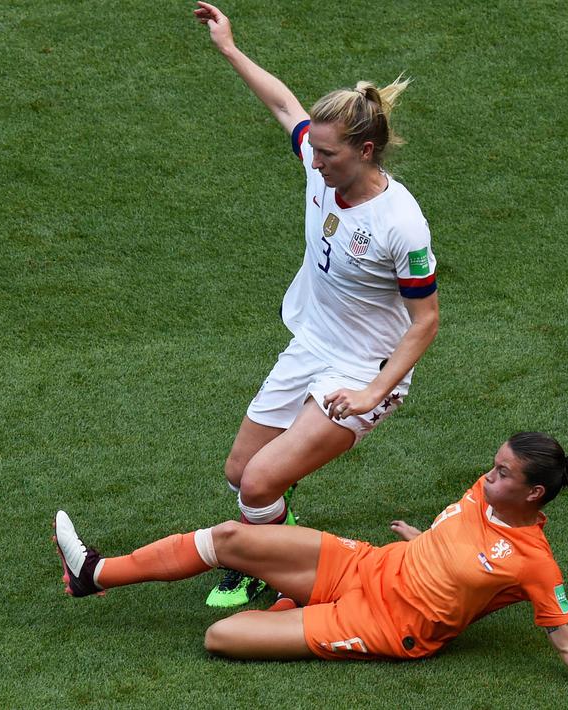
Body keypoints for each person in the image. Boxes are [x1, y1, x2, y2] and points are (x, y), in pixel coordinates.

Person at [54, 432, 568, 709]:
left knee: (221, 636)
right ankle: (94, 573)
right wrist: (422, 542)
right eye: (495, 466)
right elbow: (462, 546)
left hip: (384, 625)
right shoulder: (483, 492)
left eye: (504, 474)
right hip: (369, 564)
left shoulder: (534, 562)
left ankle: (298, 608)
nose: (490, 475)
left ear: (533, 496)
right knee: (235, 536)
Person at [190, 2, 441, 607]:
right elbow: (284, 106)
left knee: (258, 481)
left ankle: (278, 570)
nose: (315, 161)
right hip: (312, 346)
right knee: (239, 475)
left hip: (363, 372)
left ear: (367, 149)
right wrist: (229, 47)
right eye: (317, 151)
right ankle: (271, 533)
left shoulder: (401, 225)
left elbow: (426, 320)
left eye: (329, 154)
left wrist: (371, 394)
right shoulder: (319, 162)